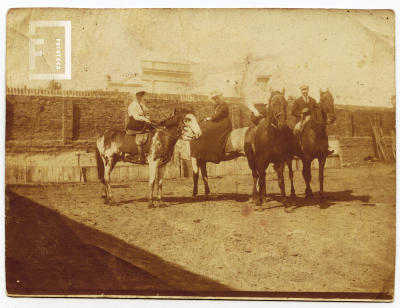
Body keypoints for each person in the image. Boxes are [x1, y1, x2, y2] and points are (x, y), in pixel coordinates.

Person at [190, 92, 232, 163]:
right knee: (203, 124)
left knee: (208, 128)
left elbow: (218, 115)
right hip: (218, 121)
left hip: (224, 123)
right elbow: (215, 116)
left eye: (217, 98)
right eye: (214, 98)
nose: (216, 100)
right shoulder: (215, 106)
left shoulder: (224, 105)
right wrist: (208, 119)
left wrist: (209, 118)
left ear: (220, 97)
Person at [126, 90, 153, 164]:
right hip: (135, 124)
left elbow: (141, 114)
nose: (139, 97)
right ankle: (141, 154)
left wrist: (146, 117)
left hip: (139, 122)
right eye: (138, 95)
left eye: (141, 95)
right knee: (151, 128)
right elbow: (136, 117)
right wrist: (145, 119)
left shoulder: (139, 104)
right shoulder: (133, 105)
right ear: (135, 96)